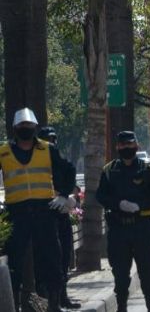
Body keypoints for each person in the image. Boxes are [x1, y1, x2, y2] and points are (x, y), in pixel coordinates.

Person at [0, 108, 76, 312]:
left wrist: (63, 195)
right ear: (15, 128)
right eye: (22, 126)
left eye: (29, 126)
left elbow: (68, 170)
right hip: (17, 213)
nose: (26, 129)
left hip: (44, 211)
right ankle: (14, 305)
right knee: (14, 260)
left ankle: (54, 303)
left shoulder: (47, 149)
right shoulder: (3, 152)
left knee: (52, 258)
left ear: (35, 127)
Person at [96, 131, 150, 312]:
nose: (127, 148)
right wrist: (118, 204)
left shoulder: (148, 169)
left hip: (142, 227)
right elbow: (100, 195)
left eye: (130, 145)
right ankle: (122, 307)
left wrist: (139, 206)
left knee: (147, 271)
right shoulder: (109, 170)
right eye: (123, 145)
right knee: (120, 273)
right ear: (117, 147)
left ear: (137, 146)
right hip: (118, 228)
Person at [37, 126, 81, 309]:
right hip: (44, 219)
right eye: (47, 140)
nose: (51, 143)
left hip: (62, 218)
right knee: (47, 262)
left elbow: (73, 187)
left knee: (63, 260)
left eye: (53, 139)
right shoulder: (37, 164)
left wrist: (70, 198)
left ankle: (62, 297)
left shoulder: (60, 162)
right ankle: (47, 300)